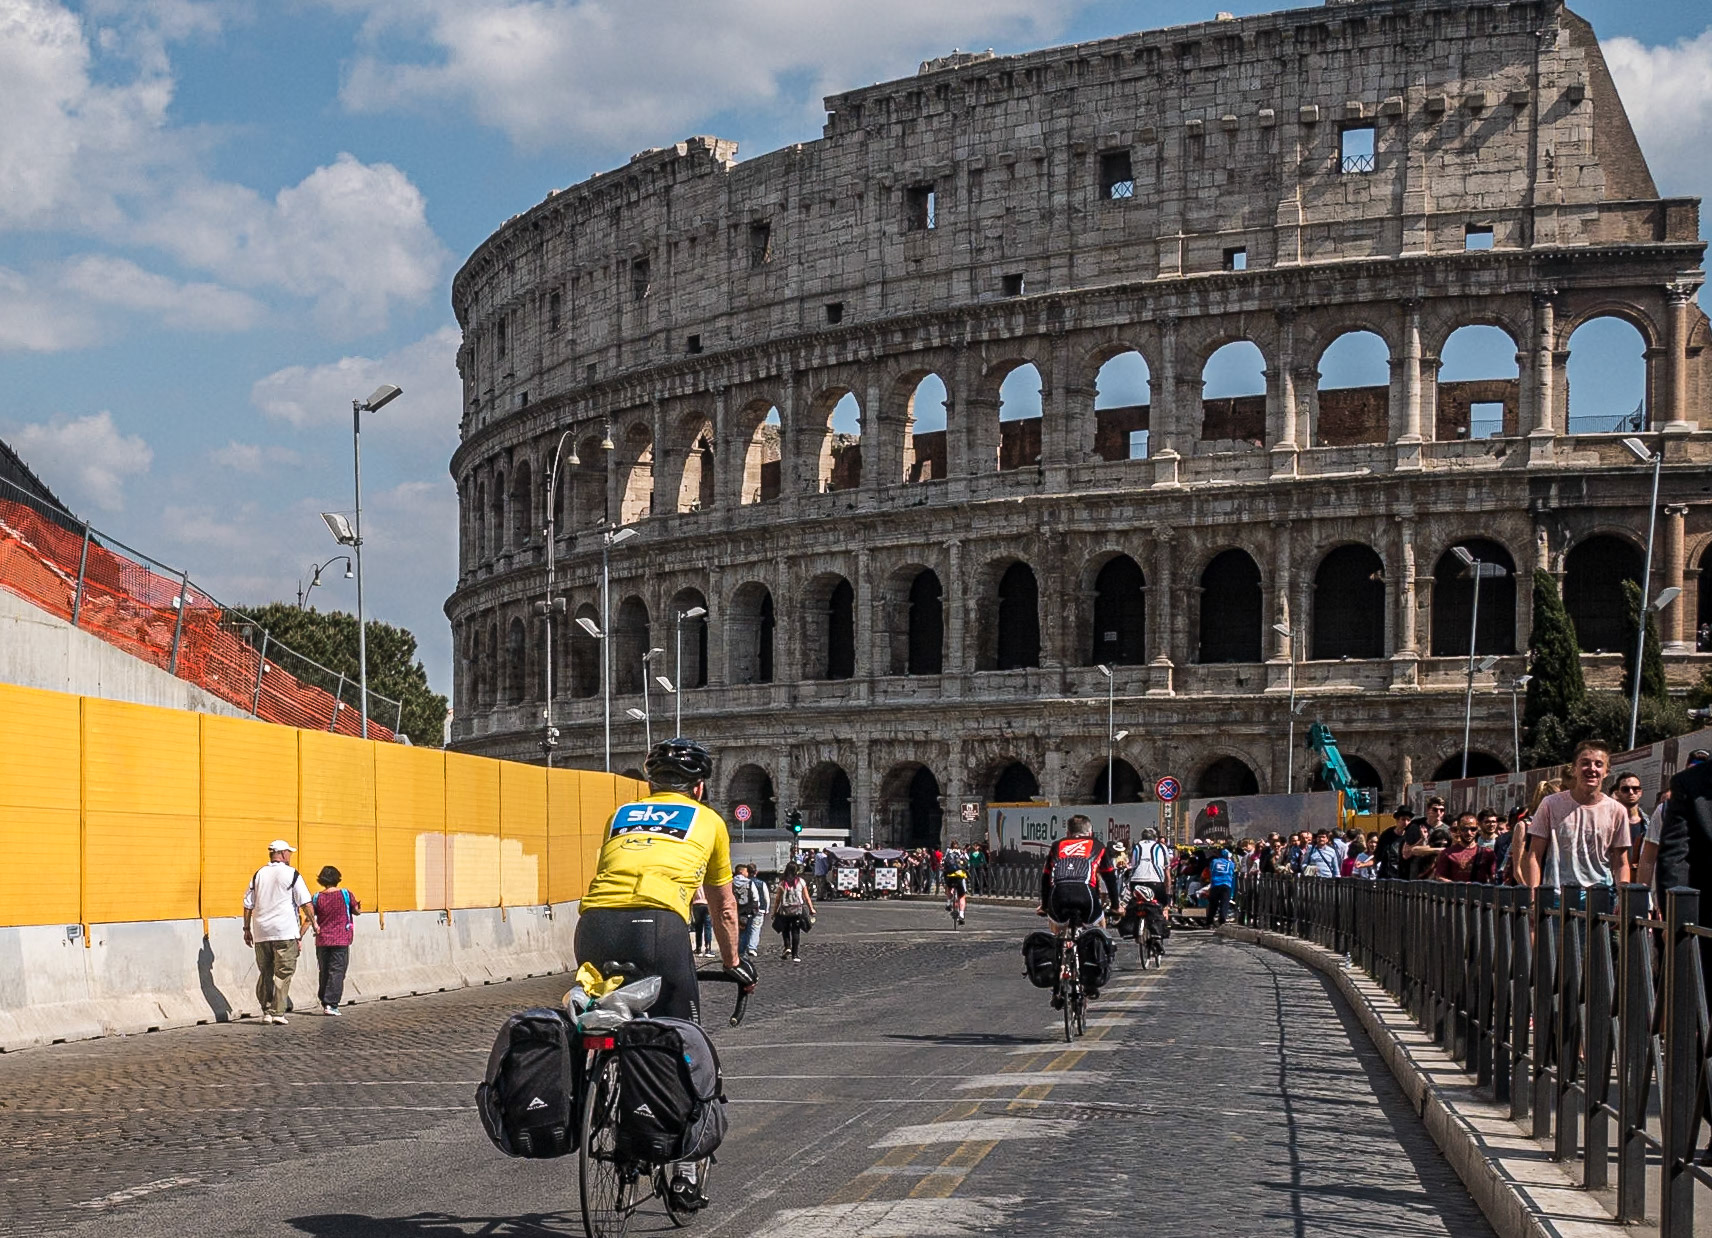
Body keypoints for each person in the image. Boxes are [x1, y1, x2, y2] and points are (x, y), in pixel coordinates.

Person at [575, 738, 757, 1213]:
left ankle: (602, 1098)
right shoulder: (711, 821)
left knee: (614, 1014)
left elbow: (611, 876)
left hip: (592, 926)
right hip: (657, 928)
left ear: (650, 784)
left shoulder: (619, 816)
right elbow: (723, 904)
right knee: (685, 1039)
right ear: (699, 787)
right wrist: (734, 962)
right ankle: (687, 1171)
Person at [1520, 740, 1632, 891]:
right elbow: (1534, 855)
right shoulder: (1550, 804)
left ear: (1607, 771)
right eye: (1585, 763)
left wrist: (1623, 897)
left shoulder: (1617, 810)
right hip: (1557, 895)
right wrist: (1534, 896)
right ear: (1574, 769)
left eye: (1599, 764)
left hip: (1600, 895)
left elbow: (1621, 862)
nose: (1592, 769)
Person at [243, 840, 313, 1025]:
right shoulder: (292, 874)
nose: (290, 856)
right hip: (285, 932)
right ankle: (277, 1012)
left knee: (265, 970)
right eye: (289, 853)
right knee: (283, 972)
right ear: (282, 854)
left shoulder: (258, 874)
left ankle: (266, 1011)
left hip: (261, 932)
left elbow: (248, 904)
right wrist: (314, 922)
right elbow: (305, 902)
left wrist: (246, 928)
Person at [309, 864, 359, 1015]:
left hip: (322, 940)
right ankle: (331, 1004)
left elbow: (309, 917)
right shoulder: (346, 894)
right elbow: (356, 911)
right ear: (338, 879)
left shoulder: (317, 897)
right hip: (341, 940)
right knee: (337, 970)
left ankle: (325, 1000)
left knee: (324, 970)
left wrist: (300, 935)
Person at [1432, 815, 1496, 883]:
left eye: (1473, 829)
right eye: (1464, 829)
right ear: (1459, 830)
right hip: (1455, 892)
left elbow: (1493, 878)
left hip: (1479, 892)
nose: (1469, 833)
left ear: (1477, 829)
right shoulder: (1447, 853)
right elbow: (1439, 877)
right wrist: (1460, 886)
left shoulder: (1487, 853)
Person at [773, 862, 815, 960]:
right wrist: (811, 909)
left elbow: (777, 900)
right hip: (797, 910)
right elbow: (806, 897)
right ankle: (795, 955)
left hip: (785, 910)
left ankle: (787, 946)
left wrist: (774, 912)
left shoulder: (782, 883)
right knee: (796, 931)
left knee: (785, 929)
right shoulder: (801, 881)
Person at [1405, 797, 1449, 879]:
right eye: (1435, 809)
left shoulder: (1447, 830)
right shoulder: (1415, 828)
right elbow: (1405, 854)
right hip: (1417, 875)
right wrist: (1422, 840)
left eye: (1442, 810)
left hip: (1437, 876)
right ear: (1428, 810)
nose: (1439, 813)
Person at [732, 864, 767, 958]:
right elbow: (756, 897)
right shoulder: (749, 883)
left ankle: (734, 950)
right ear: (742, 872)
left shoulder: (730, 883)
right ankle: (741, 952)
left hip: (734, 910)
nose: (747, 873)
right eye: (746, 871)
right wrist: (756, 908)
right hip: (746, 911)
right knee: (745, 932)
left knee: (734, 931)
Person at [1373, 806, 1410, 879]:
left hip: (1403, 877)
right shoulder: (1387, 835)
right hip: (1386, 876)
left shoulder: (1411, 836)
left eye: (1408, 820)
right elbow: (1378, 856)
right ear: (1397, 820)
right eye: (1403, 819)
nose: (1405, 822)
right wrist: (1363, 864)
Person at [1205, 846, 1238, 925]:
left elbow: (1211, 870)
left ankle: (1209, 921)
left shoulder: (1214, 861)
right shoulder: (1231, 864)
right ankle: (1222, 919)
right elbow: (1233, 872)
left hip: (1215, 884)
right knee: (1224, 903)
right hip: (1226, 884)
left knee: (1213, 904)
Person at [943, 844, 970, 924]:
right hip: (959, 878)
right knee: (961, 897)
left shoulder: (947, 855)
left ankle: (948, 903)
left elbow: (943, 865)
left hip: (950, 877)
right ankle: (961, 915)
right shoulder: (961, 855)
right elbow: (967, 865)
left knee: (948, 887)